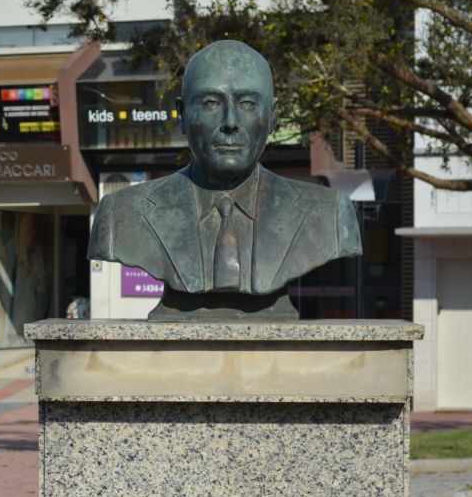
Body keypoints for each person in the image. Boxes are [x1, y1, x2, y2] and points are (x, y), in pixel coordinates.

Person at [88, 40, 360, 311]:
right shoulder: (119, 215)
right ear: (182, 114)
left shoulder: (330, 213)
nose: (230, 122)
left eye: (248, 103)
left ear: (273, 116)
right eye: (210, 103)